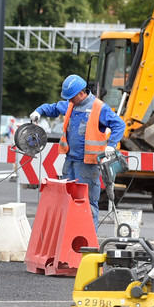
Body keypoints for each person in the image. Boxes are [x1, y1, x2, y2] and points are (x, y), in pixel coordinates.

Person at [30, 74, 125, 228]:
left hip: (88, 164)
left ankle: (88, 240)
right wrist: (38, 111)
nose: (69, 101)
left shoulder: (98, 107)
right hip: (71, 162)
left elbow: (119, 125)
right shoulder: (71, 105)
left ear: (82, 93)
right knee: (68, 201)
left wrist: (111, 145)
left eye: (71, 97)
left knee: (87, 203)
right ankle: (70, 236)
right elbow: (53, 108)